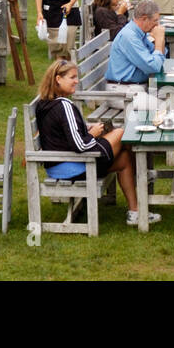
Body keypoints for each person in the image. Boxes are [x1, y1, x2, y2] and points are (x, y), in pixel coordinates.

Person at [34, 57, 156, 226]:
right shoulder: (64, 106)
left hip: (60, 163)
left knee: (124, 160)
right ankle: (142, 172)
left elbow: (62, 134)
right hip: (74, 165)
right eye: (72, 77)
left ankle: (135, 212)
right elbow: (80, 145)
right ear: (58, 79)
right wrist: (93, 134)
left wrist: (87, 129)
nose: (77, 81)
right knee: (121, 133)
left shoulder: (44, 103)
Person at [105, 0, 166, 86]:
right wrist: (159, 40)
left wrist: (159, 39)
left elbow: (161, 57)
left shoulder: (140, 32)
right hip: (125, 90)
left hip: (135, 86)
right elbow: (153, 66)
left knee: (171, 96)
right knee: (172, 97)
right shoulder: (130, 37)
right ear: (144, 19)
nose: (158, 25)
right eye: (155, 21)